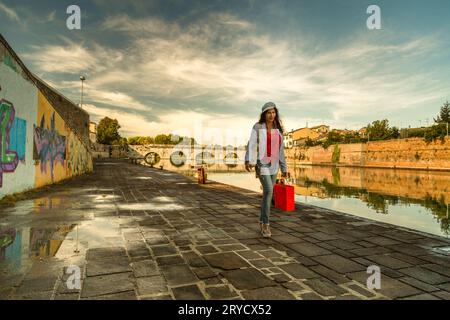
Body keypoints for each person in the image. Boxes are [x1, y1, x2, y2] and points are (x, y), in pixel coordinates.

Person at [245, 102, 288, 238]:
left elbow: (281, 150)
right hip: (262, 163)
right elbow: (251, 144)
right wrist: (248, 160)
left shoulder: (278, 130)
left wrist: (284, 167)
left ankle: (262, 220)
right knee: (269, 191)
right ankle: (266, 225)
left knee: (268, 194)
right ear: (264, 114)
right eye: (269, 112)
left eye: (274, 112)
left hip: (274, 165)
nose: (272, 115)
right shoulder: (257, 127)